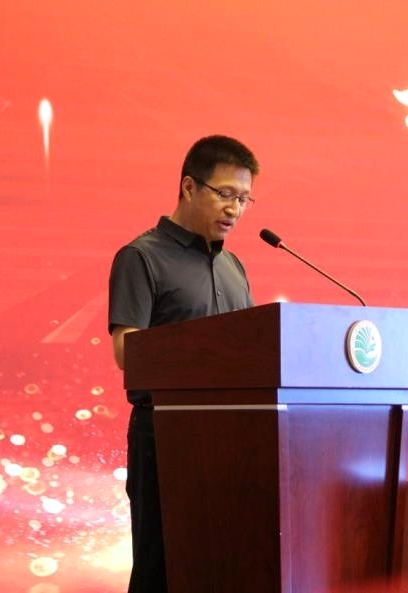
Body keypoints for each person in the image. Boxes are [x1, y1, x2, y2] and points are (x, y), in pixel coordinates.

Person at [107, 134, 260, 593]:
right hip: (164, 434)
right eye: (225, 194)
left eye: (244, 198)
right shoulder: (142, 257)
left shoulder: (234, 266)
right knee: (161, 566)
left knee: (221, 566)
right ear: (189, 187)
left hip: (232, 436)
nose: (234, 209)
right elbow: (127, 351)